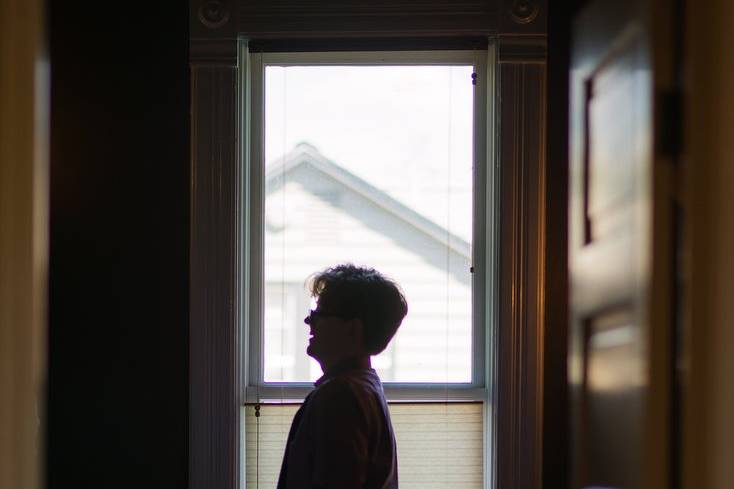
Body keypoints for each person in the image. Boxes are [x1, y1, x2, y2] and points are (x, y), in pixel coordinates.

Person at [277, 264, 408, 489]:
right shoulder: (367, 387)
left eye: (320, 314)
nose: (309, 322)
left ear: (353, 330)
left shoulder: (340, 397)